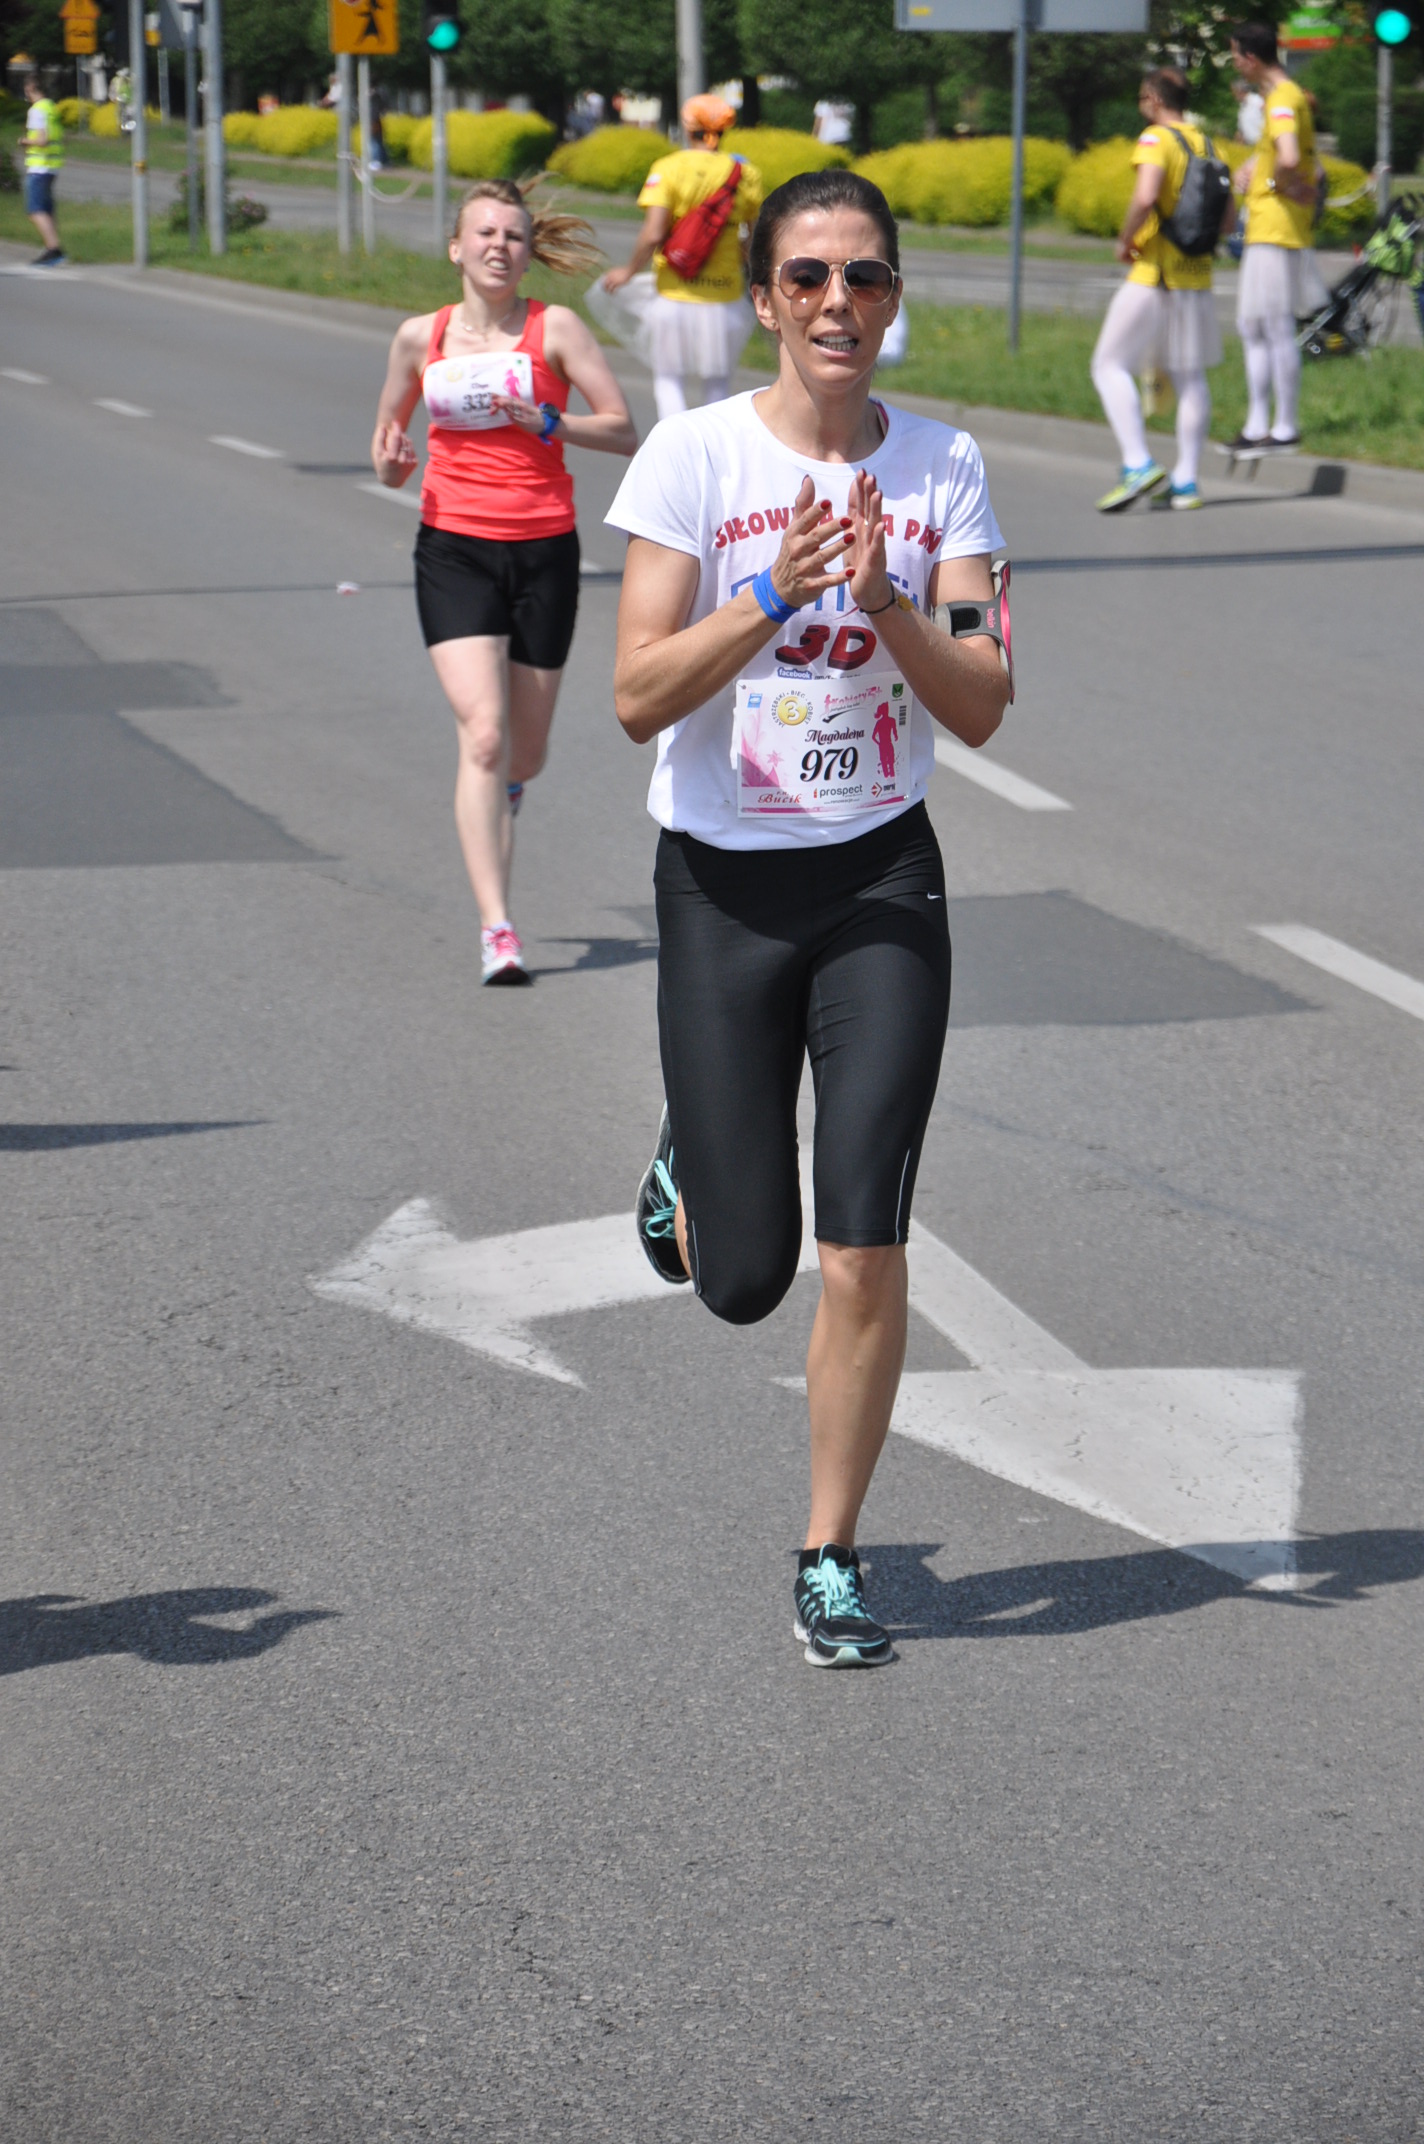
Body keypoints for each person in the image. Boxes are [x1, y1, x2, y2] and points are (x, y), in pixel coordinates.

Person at [607, 169, 1012, 1667]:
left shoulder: (944, 466)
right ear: (764, 299)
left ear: (894, 297)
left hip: (879, 881)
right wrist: (772, 594)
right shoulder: (694, 458)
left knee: (863, 1244)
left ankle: (830, 1551)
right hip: (722, 885)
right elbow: (634, 693)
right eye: (809, 278)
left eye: (868, 277)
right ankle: (694, 1144)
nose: (840, 303)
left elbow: (984, 701)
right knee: (739, 1280)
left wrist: (889, 598)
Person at [370, 180, 637, 984]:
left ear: (527, 255)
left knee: (526, 751)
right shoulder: (420, 338)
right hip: (454, 547)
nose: (499, 246)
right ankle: (498, 928)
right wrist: (393, 463)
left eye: (513, 237)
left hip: (544, 549)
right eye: (484, 234)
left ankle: (509, 790)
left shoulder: (557, 330)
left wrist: (552, 422)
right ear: (457, 248)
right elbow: (386, 449)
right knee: (483, 736)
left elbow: (624, 430)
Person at [1090, 68, 1233, 512]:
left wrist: (1126, 239)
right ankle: (1187, 482)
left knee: (1108, 364)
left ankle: (1138, 462)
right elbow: (1228, 221)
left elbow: (1146, 195)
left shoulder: (1156, 139)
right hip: (1197, 278)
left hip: (1155, 273)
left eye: (1141, 98)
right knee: (1191, 376)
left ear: (1153, 98)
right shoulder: (1213, 146)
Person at [600, 95, 763, 423]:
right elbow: (754, 239)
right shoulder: (746, 174)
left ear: (688, 128)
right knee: (717, 385)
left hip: (674, 295)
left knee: (669, 380)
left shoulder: (668, 168)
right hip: (725, 297)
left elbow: (653, 234)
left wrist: (629, 271)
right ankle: (713, 446)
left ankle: (673, 445)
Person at [1225, 22, 1321, 460]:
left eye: (1235, 55)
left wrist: (1273, 183)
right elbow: (1282, 155)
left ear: (1250, 58)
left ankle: (1281, 427)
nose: (1234, 63)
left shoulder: (1281, 98)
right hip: (1275, 226)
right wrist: (1254, 168)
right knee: (1257, 325)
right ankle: (1261, 425)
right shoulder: (1284, 96)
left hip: (1274, 227)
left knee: (1271, 326)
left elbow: (1289, 156)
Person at [22, 74, 67, 268]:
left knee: (35, 210)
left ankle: (53, 248)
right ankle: (52, 247)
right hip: (52, 165)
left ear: (30, 89)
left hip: (39, 166)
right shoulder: (51, 107)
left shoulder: (36, 110)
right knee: (47, 209)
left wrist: (24, 141)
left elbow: (42, 140)